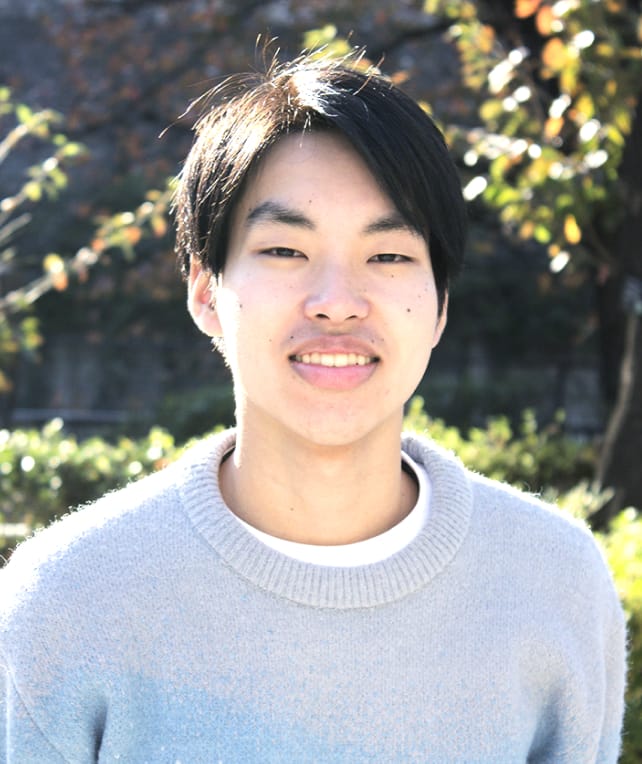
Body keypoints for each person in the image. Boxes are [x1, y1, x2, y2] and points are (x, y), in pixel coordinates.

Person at [0, 51, 626, 762]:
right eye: (285, 251)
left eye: (388, 257)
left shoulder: (555, 581)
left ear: (441, 305)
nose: (336, 303)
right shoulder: (67, 600)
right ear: (206, 291)